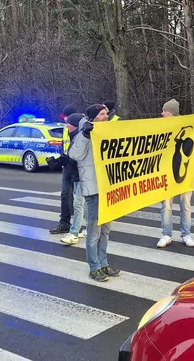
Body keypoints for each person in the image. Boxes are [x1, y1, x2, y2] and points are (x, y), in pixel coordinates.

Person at [69, 104, 119, 282]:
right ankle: (94, 267)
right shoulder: (85, 132)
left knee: (105, 231)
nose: (106, 116)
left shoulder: (107, 130)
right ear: (93, 117)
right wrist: (84, 135)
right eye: (102, 114)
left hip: (108, 188)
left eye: (107, 113)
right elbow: (74, 155)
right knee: (94, 231)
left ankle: (103, 263)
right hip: (93, 190)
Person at [156, 99, 194, 248]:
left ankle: (186, 234)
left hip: (184, 173)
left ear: (172, 113)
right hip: (165, 173)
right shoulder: (159, 127)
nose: (162, 113)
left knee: (185, 205)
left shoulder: (188, 126)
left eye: (165, 111)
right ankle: (166, 234)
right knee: (166, 206)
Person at [59, 113, 87, 245]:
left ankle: (74, 233)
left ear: (74, 125)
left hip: (82, 174)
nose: (66, 125)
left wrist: (64, 160)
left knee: (78, 203)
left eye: (68, 123)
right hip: (76, 174)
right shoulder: (75, 135)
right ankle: (88, 228)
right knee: (83, 203)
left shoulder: (80, 137)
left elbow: (77, 156)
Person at [50, 104, 78, 235]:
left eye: (65, 117)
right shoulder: (66, 129)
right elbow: (65, 148)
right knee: (65, 194)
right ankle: (65, 223)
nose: (64, 121)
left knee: (81, 199)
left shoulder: (84, 129)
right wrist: (58, 161)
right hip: (68, 167)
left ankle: (89, 223)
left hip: (80, 169)